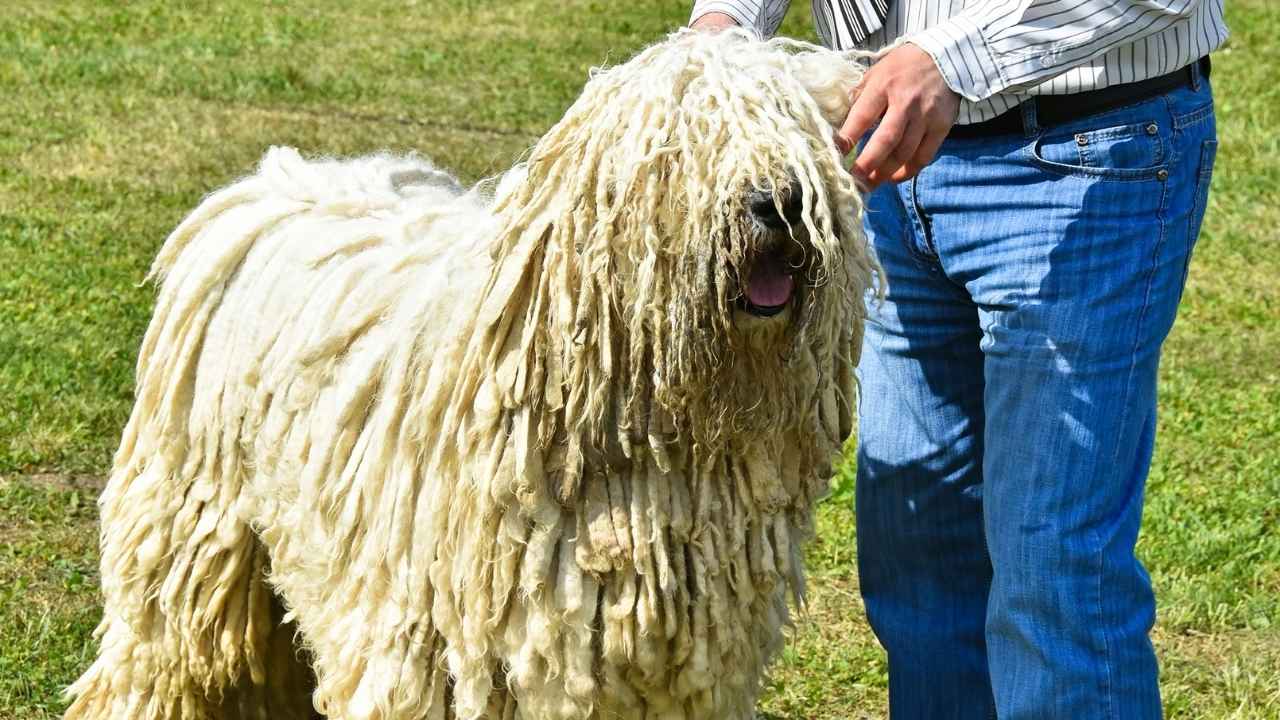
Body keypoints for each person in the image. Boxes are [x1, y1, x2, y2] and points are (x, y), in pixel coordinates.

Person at [690, 1, 1226, 718]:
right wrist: (722, 24)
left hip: (1086, 151)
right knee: (919, 565)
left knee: (1055, 575)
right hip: (886, 165)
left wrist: (952, 60)